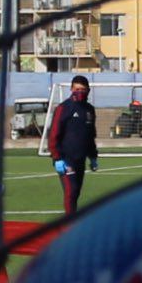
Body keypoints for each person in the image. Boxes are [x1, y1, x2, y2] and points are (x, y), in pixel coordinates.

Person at [45, 74, 99, 213]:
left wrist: (93, 157)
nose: (79, 92)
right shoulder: (63, 108)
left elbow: (90, 135)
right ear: (71, 89)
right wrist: (57, 158)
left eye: (83, 89)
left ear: (88, 90)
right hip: (66, 159)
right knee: (71, 191)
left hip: (80, 159)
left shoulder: (89, 110)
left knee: (76, 193)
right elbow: (54, 134)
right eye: (77, 89)